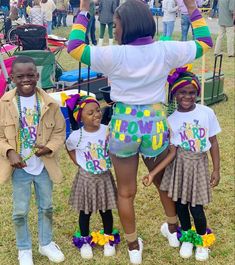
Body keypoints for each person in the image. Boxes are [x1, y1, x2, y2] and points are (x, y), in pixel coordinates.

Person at [67, 0, 212, 263]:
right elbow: (205, 42)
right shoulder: (166, 50)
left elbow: (74, 47)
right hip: (155, 123)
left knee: (125, 191)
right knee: (163, 183)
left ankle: (134, 247)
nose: (114, 27)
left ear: (126, 26)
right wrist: (191, 6)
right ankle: (172, 229)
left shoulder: (113, 54)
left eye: (117, 24)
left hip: (124, 125)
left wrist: (84, 9)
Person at [142, 69, 220, 261]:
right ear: (175, 94)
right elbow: (172, 152)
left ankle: (201, 241)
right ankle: (186, 236)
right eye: (182, 92)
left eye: (192, 92)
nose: (187, 96)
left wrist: (217, 169)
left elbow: (214, 142)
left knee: (196, 207)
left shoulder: (207, 113)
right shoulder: (171, 120)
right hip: (179, 168)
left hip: (198, 167)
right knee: (181, 205)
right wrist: (153, 174)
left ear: (197, 94)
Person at [0, 56, 65, 265]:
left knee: (46, 207)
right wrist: (10, 151)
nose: (26, 79)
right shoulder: (4, 104)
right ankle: (24, 248)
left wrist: (50, 148)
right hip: (20, 169)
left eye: (30, 75)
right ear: (12, 77)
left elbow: (59, 132)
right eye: (20, 76)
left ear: (37, 76)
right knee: (20, 211)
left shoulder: (50, 103)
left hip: (43, 167)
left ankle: (45, 243)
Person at [65, 94, 119, 260]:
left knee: (106, 209)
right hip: (86, 179)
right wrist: (79, 162)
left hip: (104, 177)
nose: (96, 114)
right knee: (85, 211)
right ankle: (85, 240)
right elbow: (69, 148)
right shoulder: (76, 136)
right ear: (80, 117)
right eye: (90, 113)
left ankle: (108, 238)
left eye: (97, 110)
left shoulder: (106, 130)